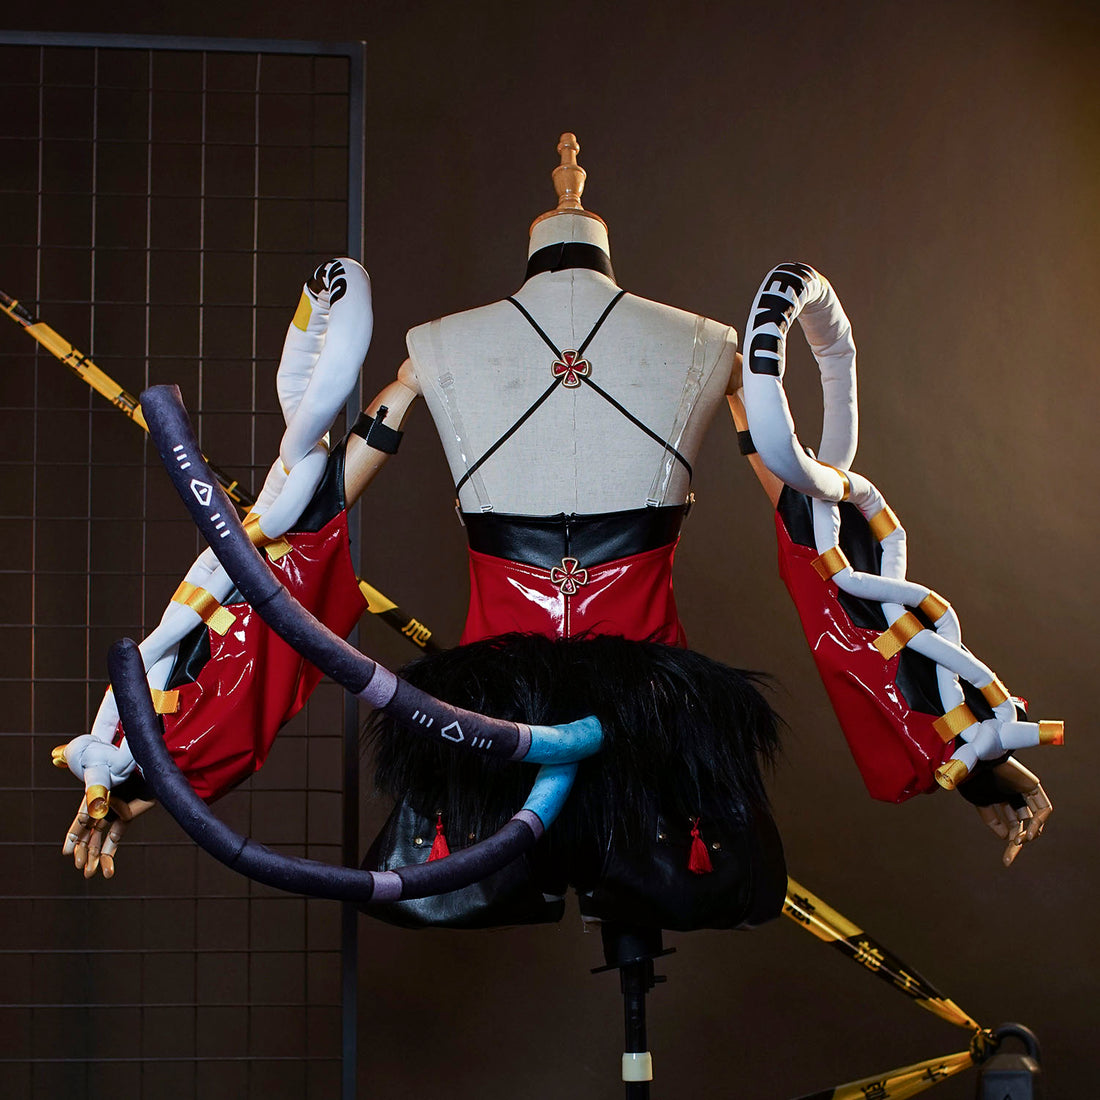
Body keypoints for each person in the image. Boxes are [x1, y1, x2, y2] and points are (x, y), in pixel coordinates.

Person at [57, 134, 1052, 913]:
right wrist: (146, 767)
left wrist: (967, 754)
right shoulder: (650, 352)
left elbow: (830, 544)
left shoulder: (677, 350)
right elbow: (277, 545)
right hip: (584, 734)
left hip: (543, 737)